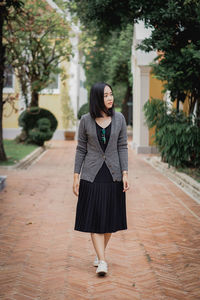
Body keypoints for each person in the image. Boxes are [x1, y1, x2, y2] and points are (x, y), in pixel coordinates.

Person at [73, 82, 130, 276]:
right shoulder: (85, 120)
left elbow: (122, 146)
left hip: (113, 175)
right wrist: (76, 176)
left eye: (111, 94)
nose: (110, 98)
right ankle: (103, 261)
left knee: (110, 221)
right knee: (95, 219)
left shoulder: (120, 118)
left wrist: (125, 173)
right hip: (91, 176)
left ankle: (99, 254)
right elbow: (81, 148)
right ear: (97, 97)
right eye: (106, 95)